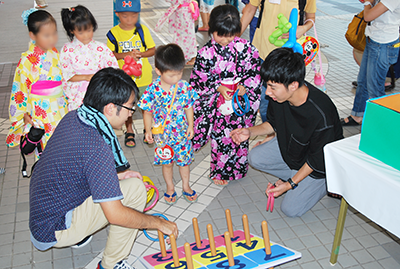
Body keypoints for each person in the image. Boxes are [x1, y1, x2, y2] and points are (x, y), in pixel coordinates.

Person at [29, 68, 178, 269]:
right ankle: (112, 263)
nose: (129, 116)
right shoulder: (97, 147)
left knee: (125, 181)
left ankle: (79, 234)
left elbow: (78, 167)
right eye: (129, 109)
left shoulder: (75, 117)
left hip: (43, 216)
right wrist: (159, 223)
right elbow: (115, 215)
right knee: (135, 189)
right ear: (110, 108)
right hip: (54, 229)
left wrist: (118, 176)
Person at [231, 48, 343, 217]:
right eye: (267, 85)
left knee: (291, 209)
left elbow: (316, 160)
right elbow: (273, 124)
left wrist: (289, 184)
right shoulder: (280, 96)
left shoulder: (321, 114)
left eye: (272, 87)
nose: (267, 92)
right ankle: (297, 178)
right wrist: (249, 131)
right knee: (255, 157)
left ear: (293, 85)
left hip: (319, 165)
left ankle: (327, 183)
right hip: (295, 147)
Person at [190, 5, 261, 186]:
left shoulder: (245, 47)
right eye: (220, 34)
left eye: (230, 35)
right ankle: (220, 171)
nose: (225, 39)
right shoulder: (205, 54)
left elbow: (255, 71)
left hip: (239, 101)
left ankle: (238, 168)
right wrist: (217, 87)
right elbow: (198, 81)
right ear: (212, 30)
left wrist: (245, 85)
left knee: (240, 135)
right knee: (221, 138)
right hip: (218, 104)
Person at [138, 44, 199, 204]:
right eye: (171, 75)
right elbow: (147, 111)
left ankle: (186, 186)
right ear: (158, 71)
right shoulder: (152, 90)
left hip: (182, 133)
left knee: (184, 162)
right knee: (167, 163)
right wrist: (147, 130)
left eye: (179, 73)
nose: (176, 78)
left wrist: (191, 126)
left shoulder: (184, 87)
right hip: (162, 136)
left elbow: (188, 107)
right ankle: (170, 187)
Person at [240, 0, 316, 123]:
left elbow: (311, 17)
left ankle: (282, 135)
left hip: (289, 59)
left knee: (288, 102)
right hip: (263, 54)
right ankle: (271, 133)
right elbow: (249, 10)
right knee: (265, 105)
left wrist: (303, 28)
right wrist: (233, 39)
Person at [6, 9, 68, 153]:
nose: (52, 39)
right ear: (32, 35)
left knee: (63, 144)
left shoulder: (55, 53)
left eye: (54, 33)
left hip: (60, 107)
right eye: (46, 35)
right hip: (40, 111)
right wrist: (24, 114)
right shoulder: (27, 59)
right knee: (46, 149)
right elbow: (20, 89)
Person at [341, 0, 400, 126]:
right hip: (373, 39)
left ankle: (381, 124)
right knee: (363, 81)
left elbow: (368, 16)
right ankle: (357, 114)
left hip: (383, 44)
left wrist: (367, 2)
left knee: (375, 88)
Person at [107, 0, 156, 147]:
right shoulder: (113, 33)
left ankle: (148, 129)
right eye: (125, 16)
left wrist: (141, 54)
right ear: (117, 15)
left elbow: (152, 50)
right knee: (127, 106)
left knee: (146, 106)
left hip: (144, 77)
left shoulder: (143, 30)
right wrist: (126, 54)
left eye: (133, 16)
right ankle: (129, 130)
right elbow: (111, 54)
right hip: (125, 79)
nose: (129, 20)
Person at [60, 5, 119, 111]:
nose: (86, 35)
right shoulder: (67, 49)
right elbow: (66, 74)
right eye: (81, 32)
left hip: (99, 90)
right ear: (72, 31)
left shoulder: (101, 47)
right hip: (78, 93)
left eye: (89, 30)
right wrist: (86, 77)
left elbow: (112, 68)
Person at [155, 0, 198, 65]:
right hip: (185, 12)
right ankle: (188, 55)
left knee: (183, 36)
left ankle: (183, 55)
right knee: (187, 36)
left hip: (184, 13)